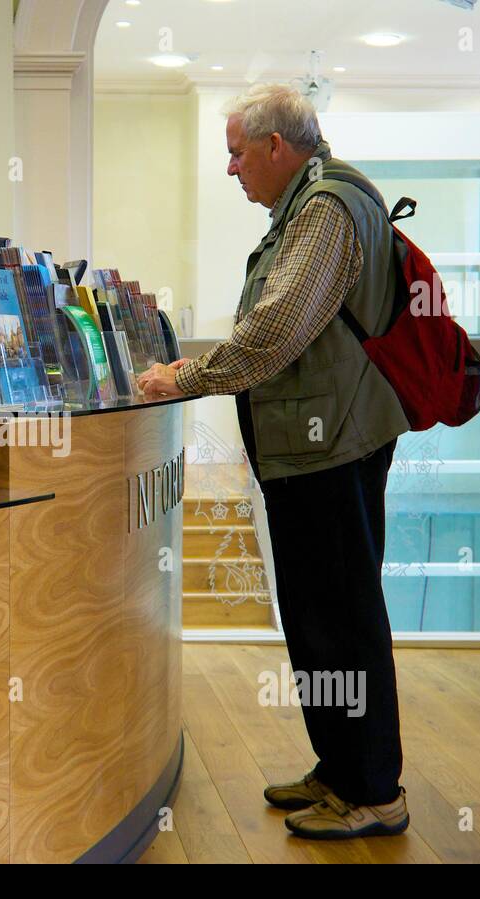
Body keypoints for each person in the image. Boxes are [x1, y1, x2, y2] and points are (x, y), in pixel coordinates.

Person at [139, 84, 410, 839]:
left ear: (276, 148)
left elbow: (277, 328)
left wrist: (185, 378)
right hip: (318, 444)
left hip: (334, 444)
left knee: (343, 615)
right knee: (319, 614)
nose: (230, 169)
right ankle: (340, 766)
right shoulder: (311, 204)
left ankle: (373, 789)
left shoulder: (323, 210)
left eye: (235, 152)